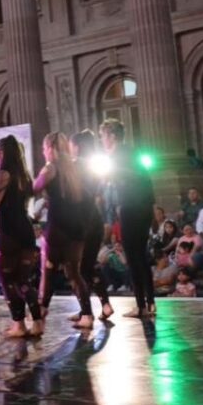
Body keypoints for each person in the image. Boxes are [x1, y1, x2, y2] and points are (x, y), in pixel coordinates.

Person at [0, 134, 43, 339]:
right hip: (25, 229)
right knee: (24, 280)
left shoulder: (3, 173)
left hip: (9, 233)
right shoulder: (23, 175)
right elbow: (10, 197)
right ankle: (37, 322)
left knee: (7, 279)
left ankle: (19, 324)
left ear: (1, 152)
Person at [34, 132, 96, 329]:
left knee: (48, 272)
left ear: (50, 148)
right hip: (76, 226)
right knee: (74, 273)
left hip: (57, 227)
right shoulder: (73, 168)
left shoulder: (51, 167)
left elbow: (35, 187)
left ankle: (40, 315)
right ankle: (87, 314)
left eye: (44, 149)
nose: (43, 153)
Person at [101, 119, 156, 318]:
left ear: (112, 136)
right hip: (144, 207)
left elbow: (124, 178)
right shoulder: (132, 151)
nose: (102, 140)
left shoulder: (116, 155)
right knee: (141, 255)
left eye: (103, 136)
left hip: (131, 208)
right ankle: (150, 303)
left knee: (133, 257)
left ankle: (141, 305)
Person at [71, 130, 114, 322]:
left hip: (81, 220)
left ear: (77, 147)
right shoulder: (95, 166)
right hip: (95, 218)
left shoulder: (75, 166)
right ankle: (103, 305)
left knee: (79, 269)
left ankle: (86, 310)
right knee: (88, 266)